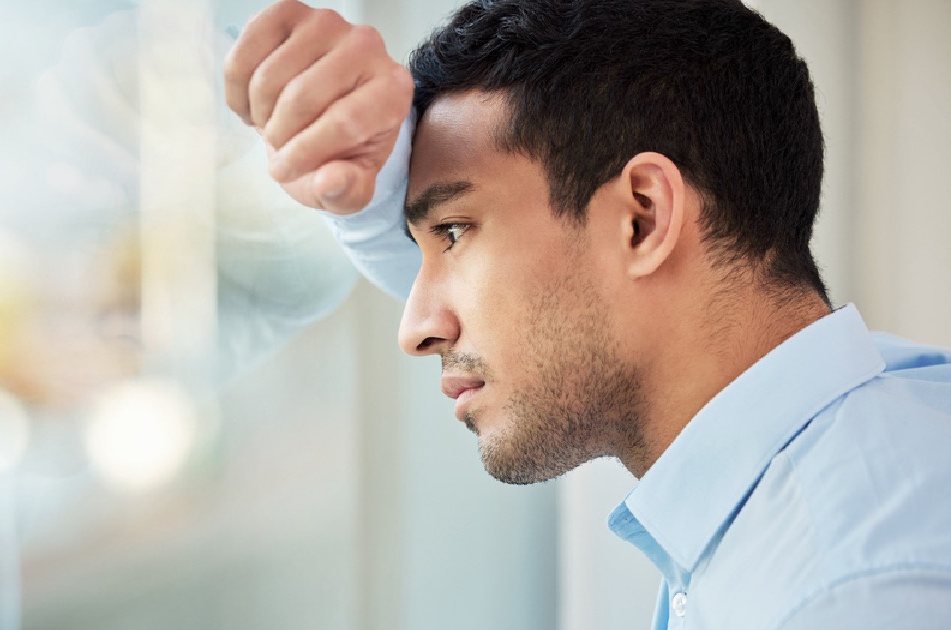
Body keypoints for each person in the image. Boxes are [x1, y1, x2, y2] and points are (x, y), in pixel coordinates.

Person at [225, 0, 951, 628]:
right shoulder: (879, 435)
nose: (415, 330)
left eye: (453, 232)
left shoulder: (850, 596)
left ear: (641, 218)